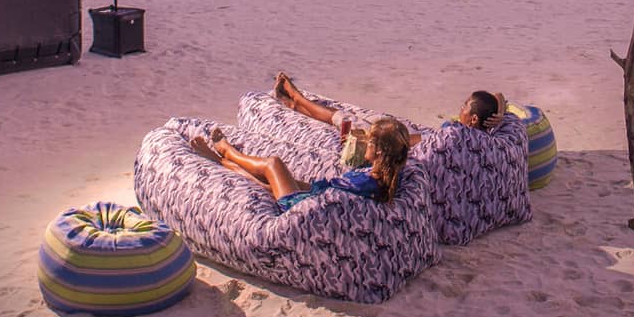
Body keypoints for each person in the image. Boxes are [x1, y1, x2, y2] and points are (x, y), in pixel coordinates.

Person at [189, 117, 412, 209]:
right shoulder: (389, 173)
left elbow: (330, 198)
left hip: (303, 205)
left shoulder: (365, 183)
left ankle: (225, 150)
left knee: (273, 164)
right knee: (267, 182)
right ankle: (221, 161)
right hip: (317, 193)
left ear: (380, 151)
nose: (365, 144)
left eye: (370, 142)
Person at [272, 70, 508, 148]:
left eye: (464, 106)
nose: (460, 109)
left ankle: (297, 98)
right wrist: (500, 113)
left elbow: (409, 142)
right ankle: (296, 103)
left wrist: (377, 138)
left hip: (409, 141)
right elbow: (498, 95)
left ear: (473, 119)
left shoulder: (456, 136)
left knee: (343, 118)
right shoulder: (492, 134)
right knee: (361, 117)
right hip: (423, 134)